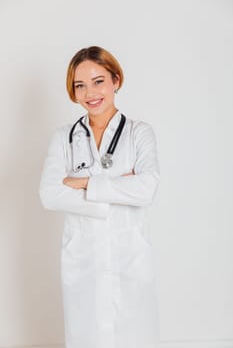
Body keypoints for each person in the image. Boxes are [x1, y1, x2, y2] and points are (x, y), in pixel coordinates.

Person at [39, 45, 161, 348]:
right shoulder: (64, 137)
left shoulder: (139, 133)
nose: (90, 93)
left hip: (129, 254)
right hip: (83, 257)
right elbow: (50, 195)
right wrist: (117, 189)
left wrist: (82, 183)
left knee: (135, 334)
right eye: (80, 85)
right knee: (86, 335)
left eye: (98, 81)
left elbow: (147, 188)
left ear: (115, 80)